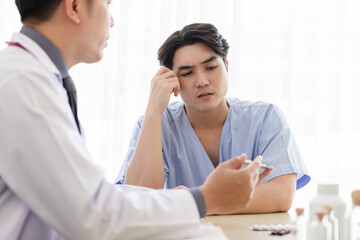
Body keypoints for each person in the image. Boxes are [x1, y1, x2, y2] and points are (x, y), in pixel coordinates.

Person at [0, 1, 272, 240]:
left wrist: (185, 198)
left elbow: (85, 199)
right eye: (107, 4)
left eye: (210, 67)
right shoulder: (23, 84)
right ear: (74, 6)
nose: (112, 20)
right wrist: (205, 198)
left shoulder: (35, 79)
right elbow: (94, 215)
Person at [116, 23, 311, 214]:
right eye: (187, 73)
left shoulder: (266, 117)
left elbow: (281, 195)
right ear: (172, 81)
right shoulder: (153, 124)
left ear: (226, 66)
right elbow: (139, 199)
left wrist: (193, 202)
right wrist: (153, 110)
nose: (202, 81)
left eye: (210, 67)